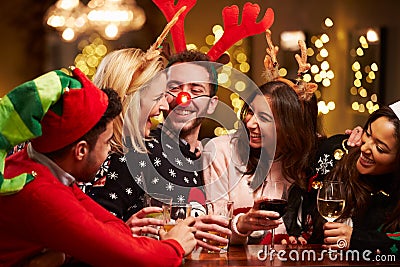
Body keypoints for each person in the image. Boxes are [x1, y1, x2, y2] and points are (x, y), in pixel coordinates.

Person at [0, 67, 197, 267]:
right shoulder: (42, 194)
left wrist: (63, 254)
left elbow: (111, 229)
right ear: (81, 151)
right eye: (107, 143)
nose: (108, 152)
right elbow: (135, 259)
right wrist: (175, 245)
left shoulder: (36, 164)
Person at [317, 102, 400, 255]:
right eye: (368, 134)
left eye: (380, 148)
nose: (364, 148)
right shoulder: (335, 153)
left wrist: (359, 240)